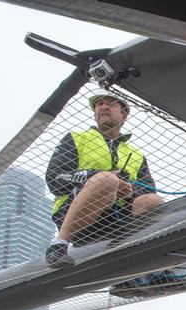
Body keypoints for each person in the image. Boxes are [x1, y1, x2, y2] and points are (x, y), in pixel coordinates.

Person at [44, 91, 163, 267]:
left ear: (124, 115)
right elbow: (54, 178)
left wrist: (128, 190)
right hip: (76, 215)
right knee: (107, 180)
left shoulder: (136, 154)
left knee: (153, 201)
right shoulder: (77, 139)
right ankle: (58, 246)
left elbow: (148, 190)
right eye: (99, 104)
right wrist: (95, 177)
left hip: (117, 220)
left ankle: (136, 264)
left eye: (110, 103)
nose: (104, 107)